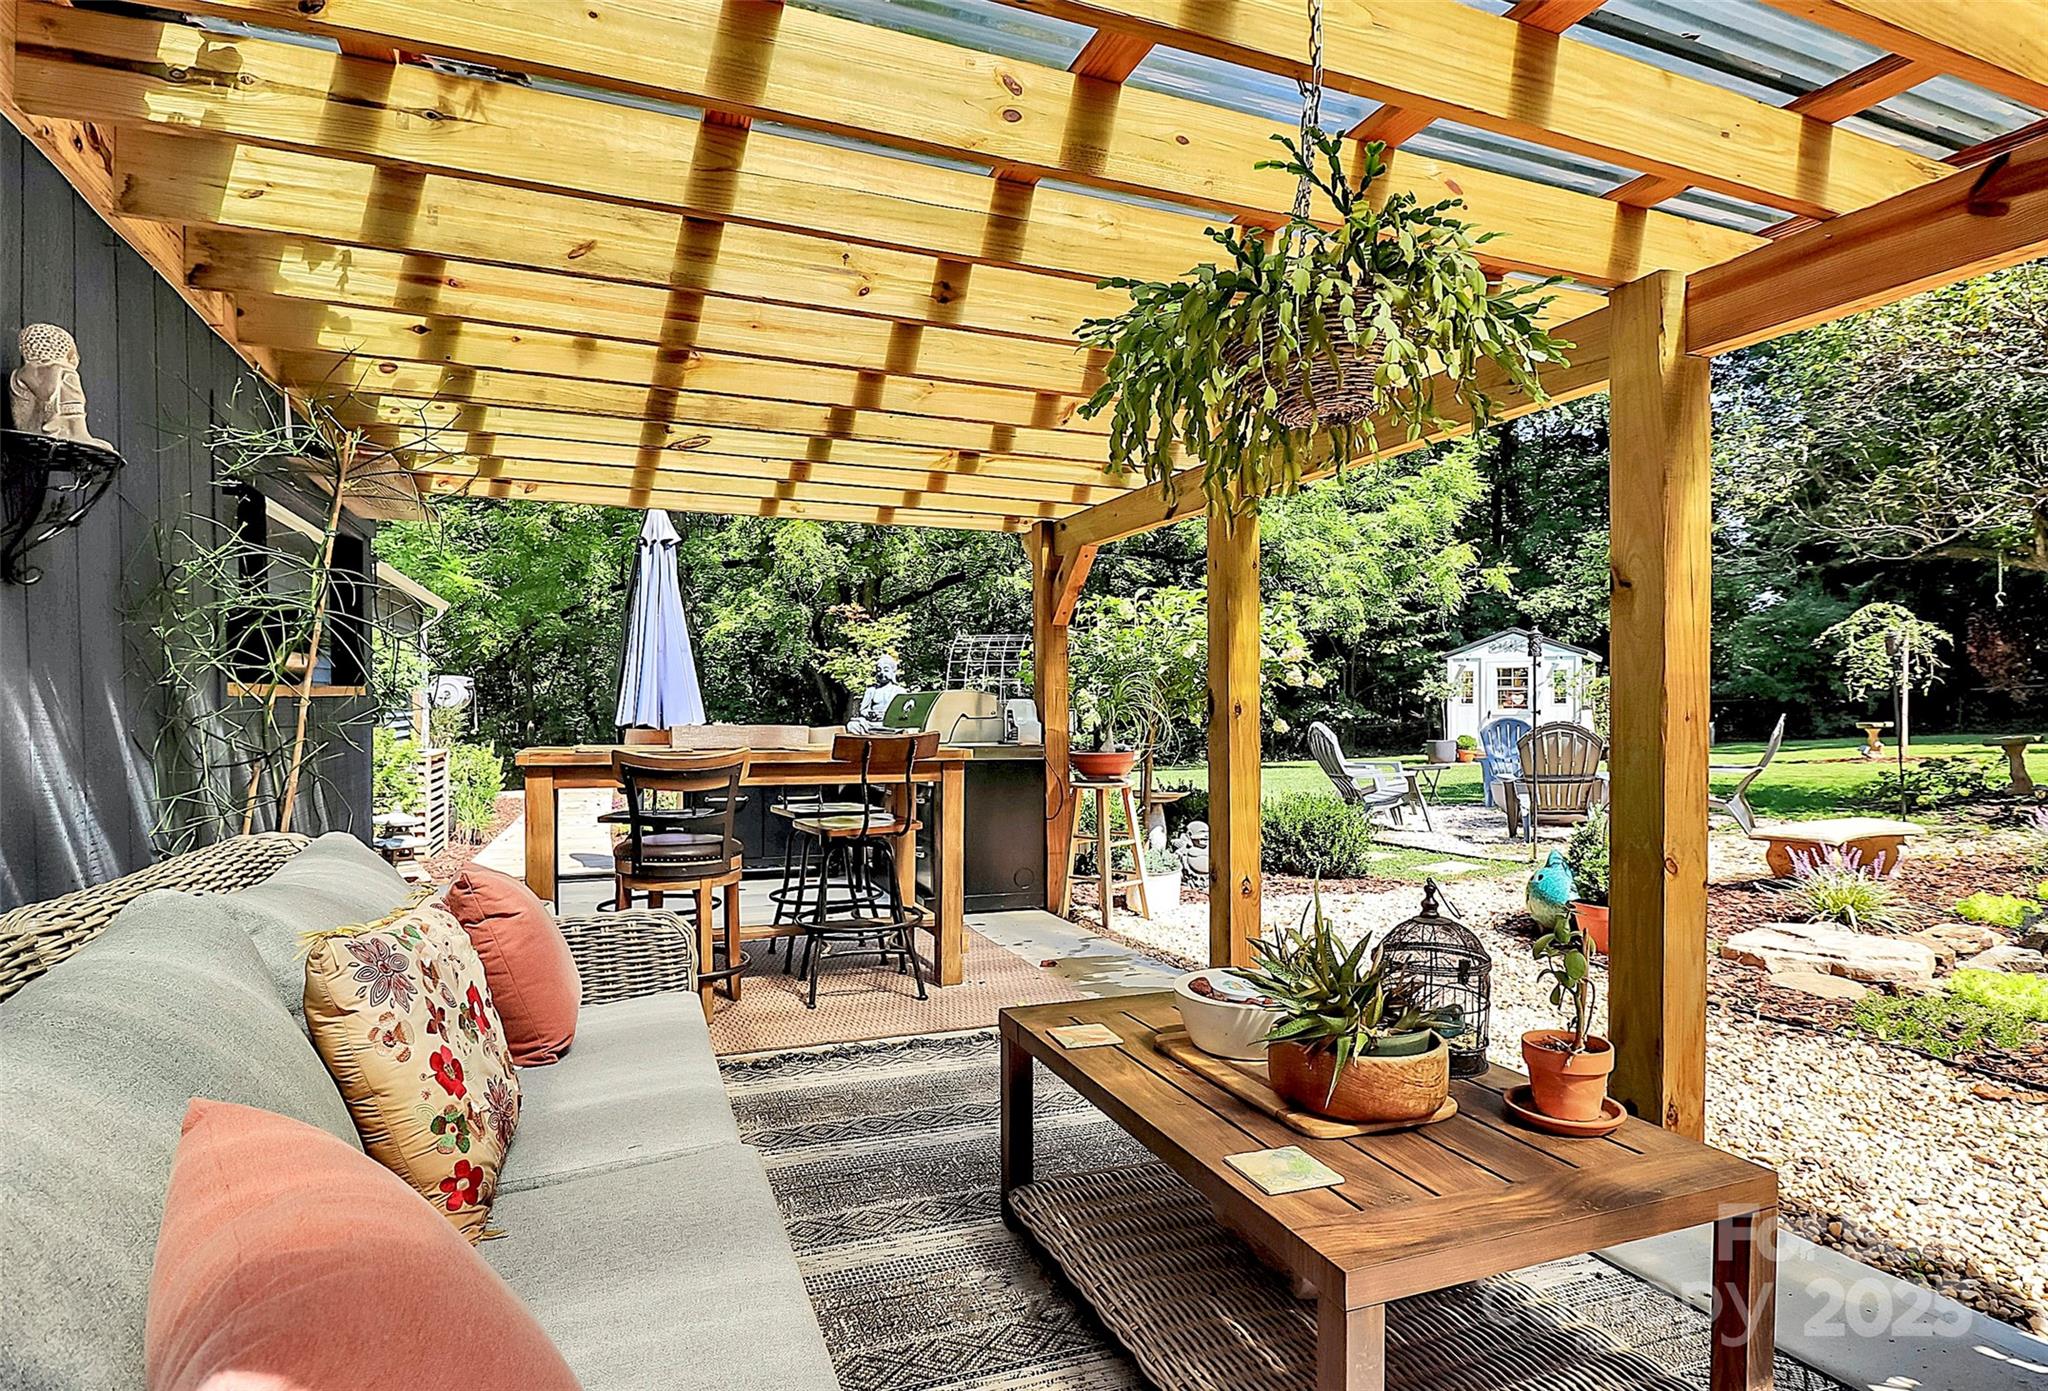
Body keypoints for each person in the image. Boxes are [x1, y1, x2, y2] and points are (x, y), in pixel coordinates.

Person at [849, 653, 907, 732]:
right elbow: (863, 710)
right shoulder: (871, 690)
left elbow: (904, 712)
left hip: (892, 723)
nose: (882, 673)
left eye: (886, 670)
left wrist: (888, 716)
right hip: (872, 723)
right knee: (852, 725)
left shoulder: (900, 691)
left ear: (893, 672)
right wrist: (870, 714)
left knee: (909, 728)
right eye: (879, 670)